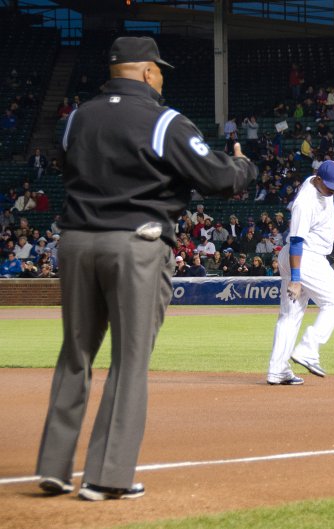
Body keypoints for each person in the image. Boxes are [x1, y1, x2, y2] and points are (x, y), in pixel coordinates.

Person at [35, 37, 256, 501]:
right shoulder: (164, 121)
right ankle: (107, 476)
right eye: (159, 70)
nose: (161, 78)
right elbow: (218, 179)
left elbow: (67, 167)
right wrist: (241, 164)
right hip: (135, 244)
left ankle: (53, 467)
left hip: (75, 242)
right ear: (147, 71)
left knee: (75, 354)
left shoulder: (76, 117)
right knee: (129, 360)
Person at [267, 160, 334, 386]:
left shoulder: (313, 182)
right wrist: (296, 279)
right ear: (318, 179)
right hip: (304, 256)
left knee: (290, 316)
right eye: (329, 185)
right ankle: (308, 350)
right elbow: (296, 241)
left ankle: (277, 370)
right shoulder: (305, 203)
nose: (333, 191)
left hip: (305, 255)